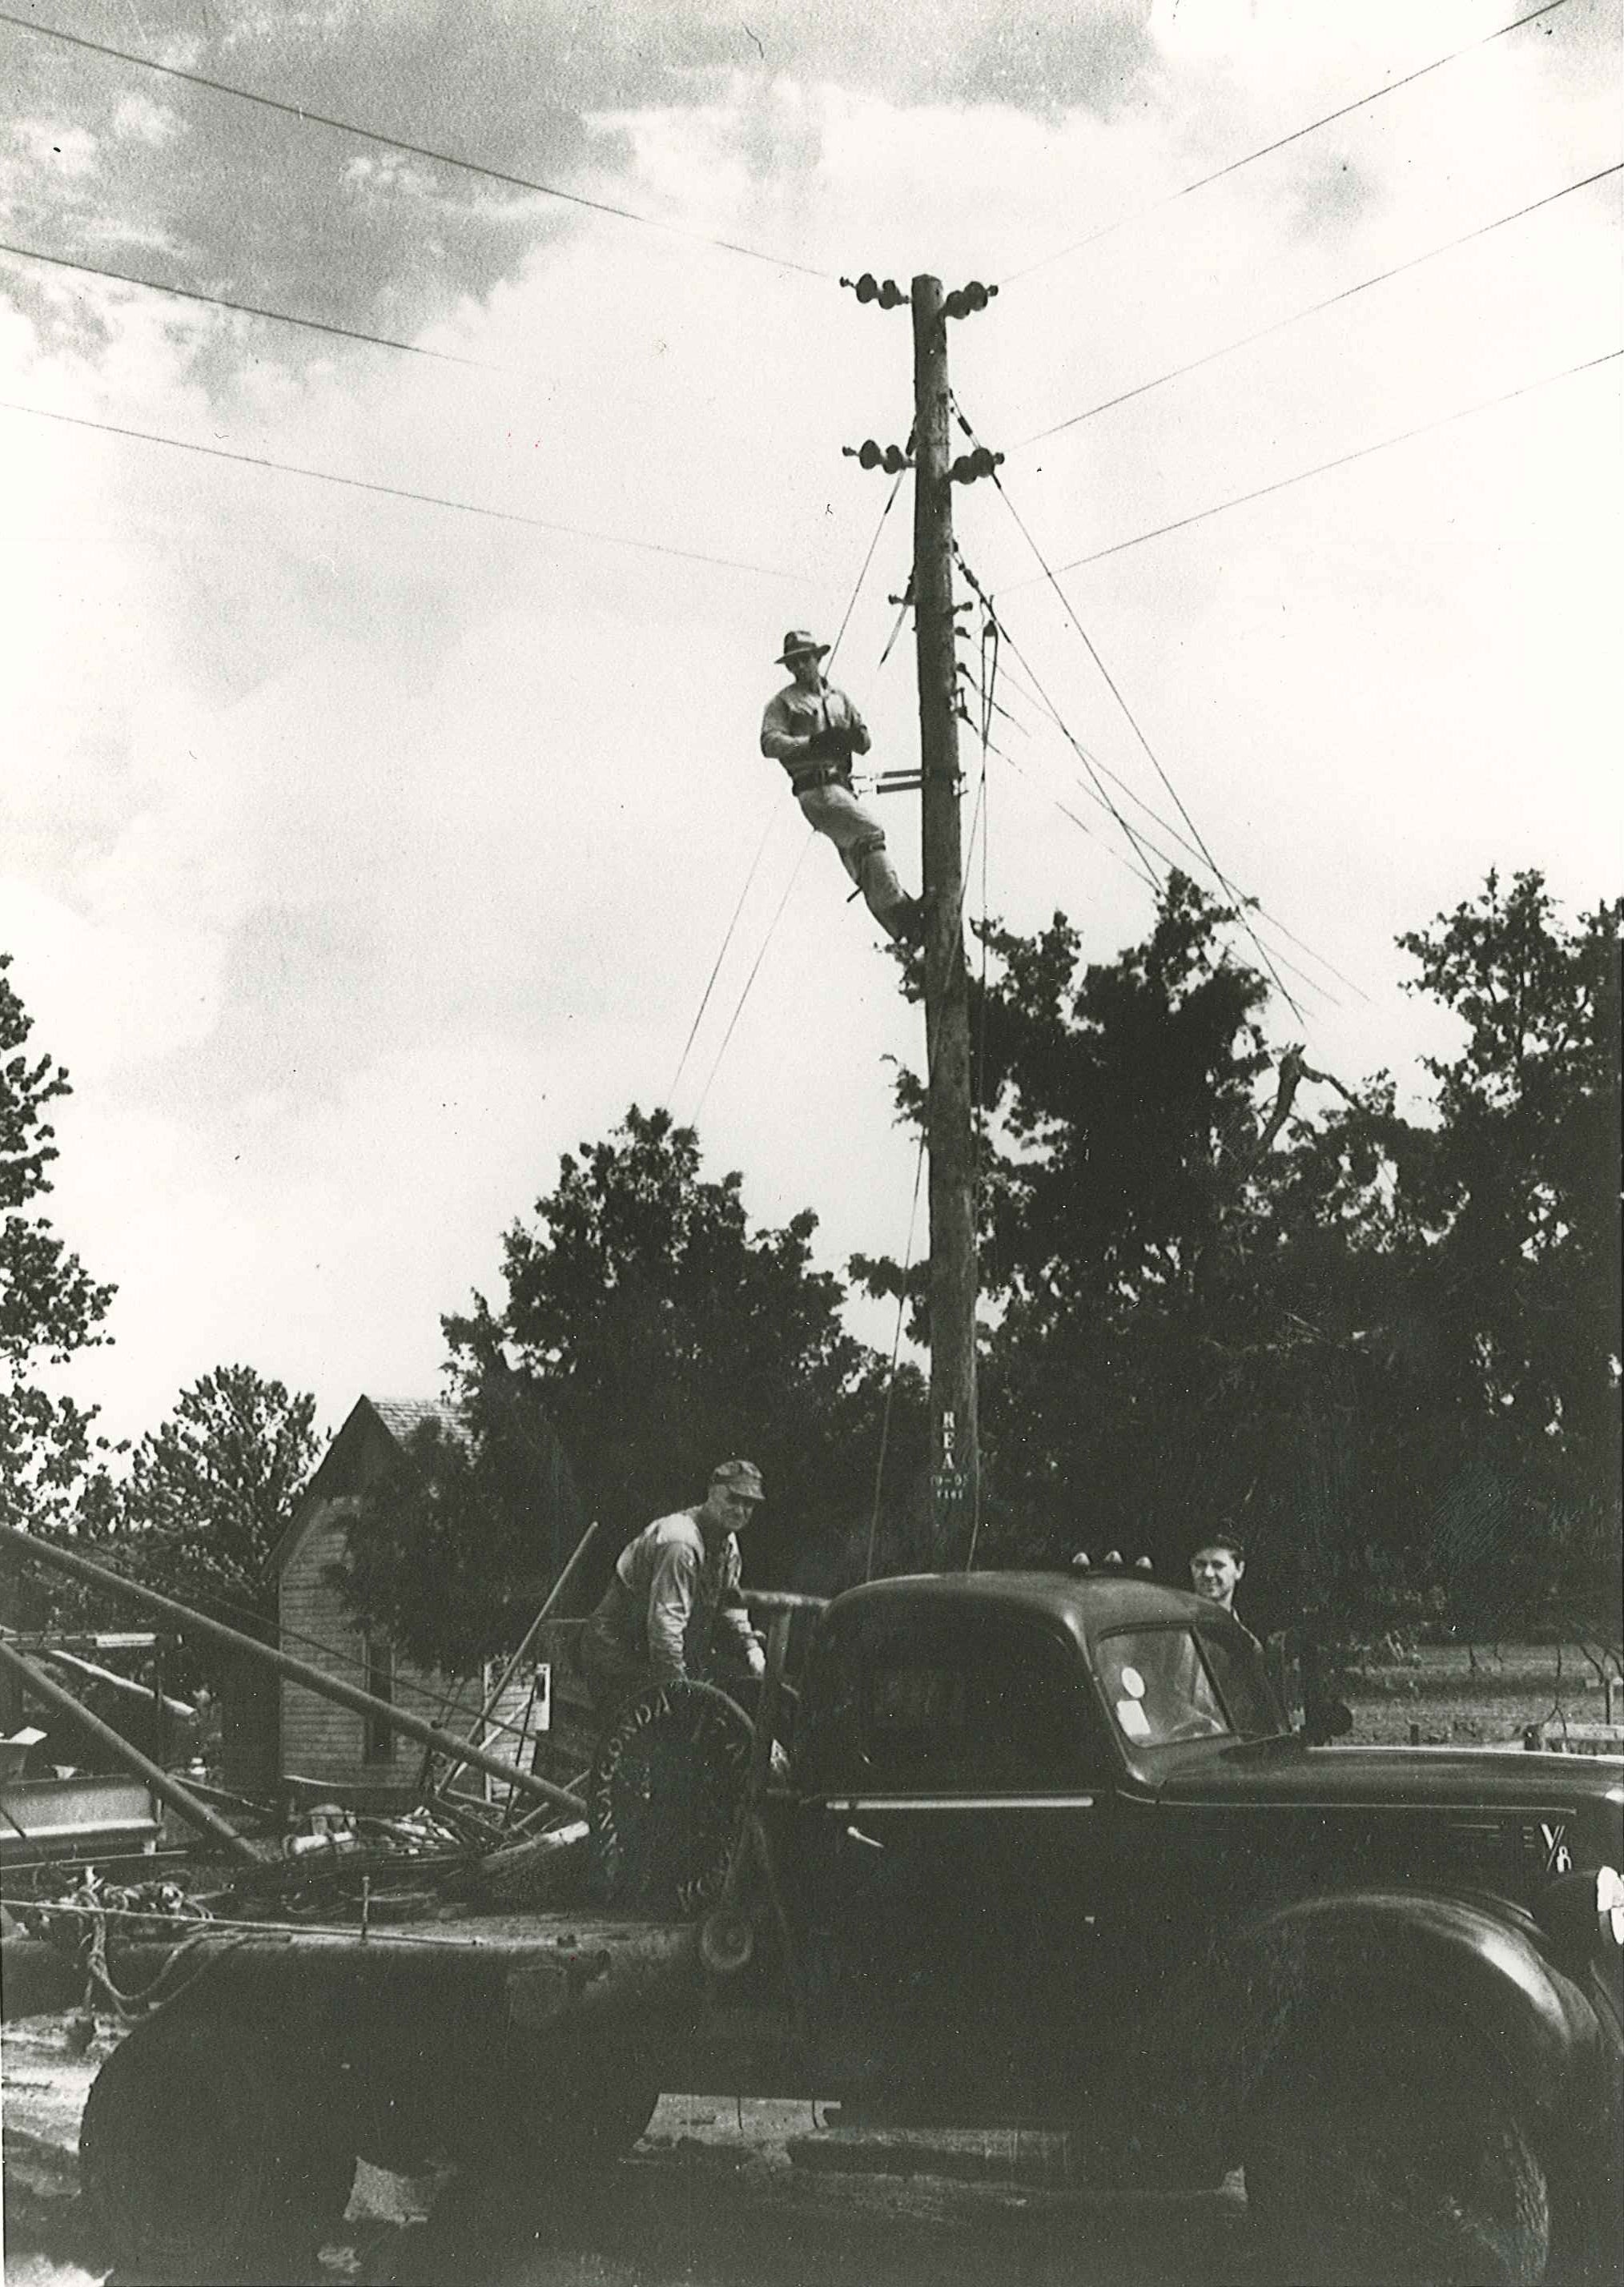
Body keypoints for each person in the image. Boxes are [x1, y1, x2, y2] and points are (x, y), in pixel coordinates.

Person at [760, 630, 920, 944]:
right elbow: (769, 742)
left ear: (817, 659)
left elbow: (864, 738)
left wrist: (854, 738)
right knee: (869, 831)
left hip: (840, 785)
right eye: (793, 663)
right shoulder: (784, 702)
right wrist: (811, 743)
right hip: (814, 787)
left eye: (805, 659)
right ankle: (900, 909)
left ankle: (902, 927)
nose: (800, 667)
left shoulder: (838, 698)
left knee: (858, 852)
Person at [581, 1460, 769, 1721]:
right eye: (733, 1499)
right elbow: (664, 1628)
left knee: (735, 1692)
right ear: (713, 1494)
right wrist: (678, 1694)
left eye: (749, 1504)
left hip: (658, 1652)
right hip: (618, 1653)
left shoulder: (727, 1544)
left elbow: (730, 1603)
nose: (740, 1510)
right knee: (669, 1735)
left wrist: (753, 1652)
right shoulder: (680, 1542)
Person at [1189, 1533, 1247, 1619]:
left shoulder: (1242, 1632)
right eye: (1200, 1565)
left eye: (1218, 1565)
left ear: (1239, 1570)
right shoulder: (1170, 1626)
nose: (1208, 1573)